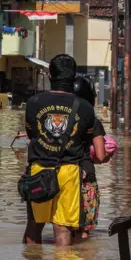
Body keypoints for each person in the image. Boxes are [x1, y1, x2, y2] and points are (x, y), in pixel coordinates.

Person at [22, 54, 108, 247]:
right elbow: (87, 139)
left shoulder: (34, 102)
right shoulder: (85, 107)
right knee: (63, 228)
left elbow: (31, 134)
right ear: (74, 76)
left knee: (34, 225)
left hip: (39, 170)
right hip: (70, 172)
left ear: (50, 76)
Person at [72, 75, 106, 240]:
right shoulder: (93, 121)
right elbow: (100, 156)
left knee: (64, 228)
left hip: (65, 175)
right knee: (84, 231)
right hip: (86, 176)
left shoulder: (63, 121)